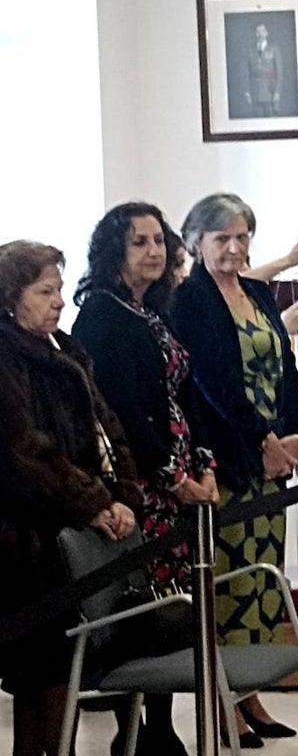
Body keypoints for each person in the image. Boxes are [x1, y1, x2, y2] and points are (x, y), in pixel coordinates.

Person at [73, 203, 221, 756]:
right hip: (144, 486)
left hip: (181, 478)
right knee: (143, 606)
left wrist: (202, 465)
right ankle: (134, 728)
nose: (154, 251)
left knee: (175, 602)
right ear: (114, 252)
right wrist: (172, 476)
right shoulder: (103, 315)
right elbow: (125, 412)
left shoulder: (154, 310)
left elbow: (185, 392)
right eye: (139, 242)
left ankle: (160, 722)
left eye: (159, 240)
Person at [170, 193, 298, 748]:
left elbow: (286, 364)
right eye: (221, 237)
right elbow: (212, 383)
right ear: (197, 243)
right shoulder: (191, 300)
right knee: (229, 586)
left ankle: (251, 694)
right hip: (230, 460)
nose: (234, 246)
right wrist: (262, 441)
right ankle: (225, 701)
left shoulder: (257, 291)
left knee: (262, 580)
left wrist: (295, 435)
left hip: (274, 459)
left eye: (242, 236)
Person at [0, 240, 140, 756]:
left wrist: (124, 495)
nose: (59, 301)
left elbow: (109, 430)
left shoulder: (67, 348)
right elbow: (26, 452)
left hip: (82, 523)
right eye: (45, 291)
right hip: (31, 541)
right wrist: (93, 504)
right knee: (41, 675)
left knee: (64, 669)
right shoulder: (6, 353)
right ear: (13, 297)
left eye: (59, 289)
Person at [246, 23, 283, 117]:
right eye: (257, 32)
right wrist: (247, 91)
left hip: (269, 92)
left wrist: (277, 92)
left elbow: (279, 72)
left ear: (267, 33)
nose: (259, 34)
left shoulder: (274, 49)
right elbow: (247, 72)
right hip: (255, 93)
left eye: (262, 31)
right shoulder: (251, 50)